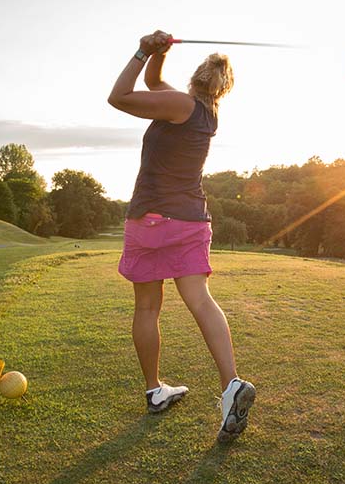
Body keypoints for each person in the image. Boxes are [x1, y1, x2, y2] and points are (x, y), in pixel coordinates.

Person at [107, 30, 256, 443]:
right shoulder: (204, 112)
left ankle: (154, 391)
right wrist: (159, 54)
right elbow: (155, 84)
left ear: (197, 76)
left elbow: (119, 97)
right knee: (200, 300)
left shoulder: (180, 104)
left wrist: (140, 50)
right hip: (191, 220)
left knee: (148, 308)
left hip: (151, 220)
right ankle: (230, 387)